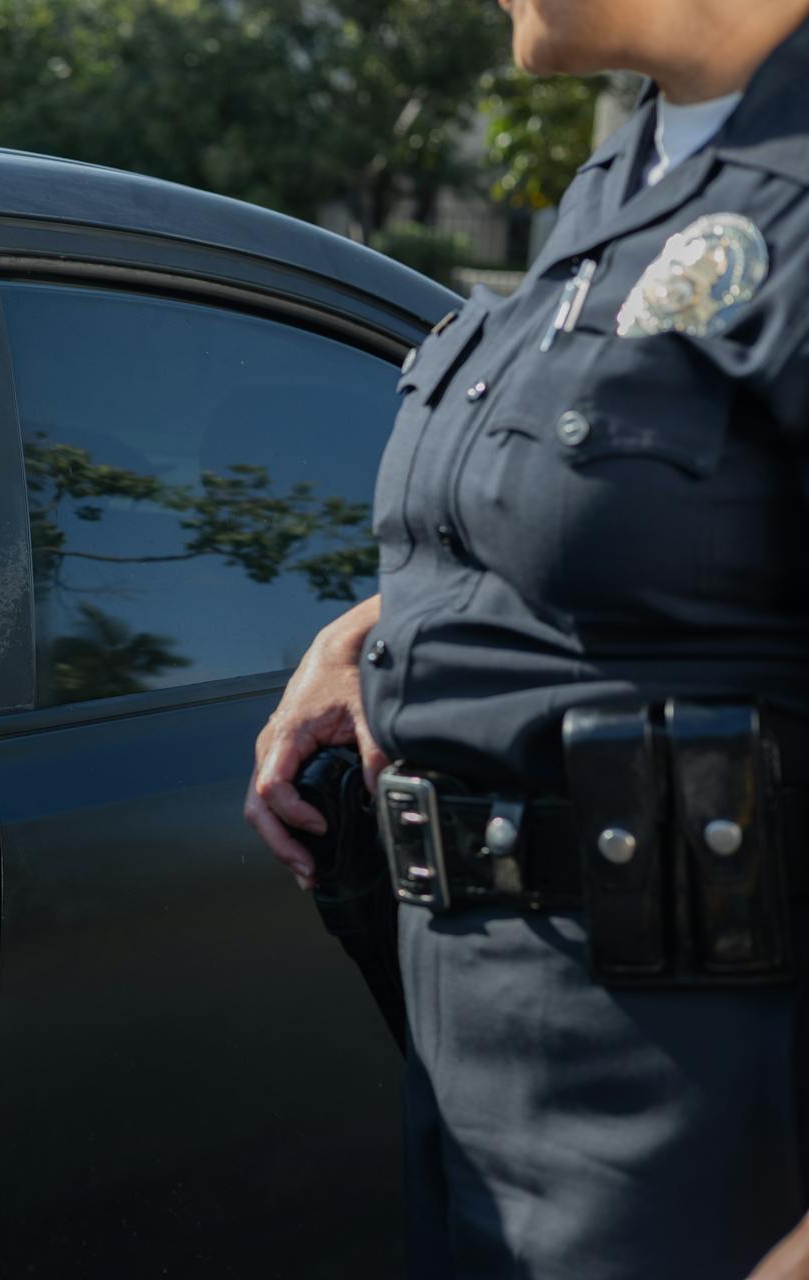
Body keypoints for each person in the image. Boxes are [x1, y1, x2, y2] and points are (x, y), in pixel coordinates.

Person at [244, 2, 809, 1276]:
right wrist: (380, 631)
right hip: (477, 1069)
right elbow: (658, 532)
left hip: (697, 1115)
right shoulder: (632, 173)